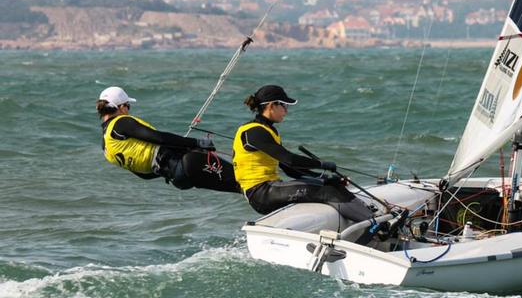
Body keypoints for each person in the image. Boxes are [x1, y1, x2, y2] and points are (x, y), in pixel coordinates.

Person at [232, 84, 373, 221]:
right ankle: (375, 225)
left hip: (270, 188)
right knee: (327, 192)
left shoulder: (268, 130)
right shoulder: (254, 131)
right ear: (271, 105)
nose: (286, 111)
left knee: (332, 185)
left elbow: (289, 169)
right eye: (284, 106)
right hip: (260, 193)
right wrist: (322, 164)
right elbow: (290, 160)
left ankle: (372, 216)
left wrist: (323, 178)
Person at [97, 86, 239, 193]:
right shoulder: (121, 123)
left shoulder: (106, 146)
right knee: (244, 179)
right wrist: (196, 143)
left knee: (239, 187)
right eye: (128, 105)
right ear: (121, 107)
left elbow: (144, 175)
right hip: (187, 163)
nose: (128, 109)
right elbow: (159, 138)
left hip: (178, 179)